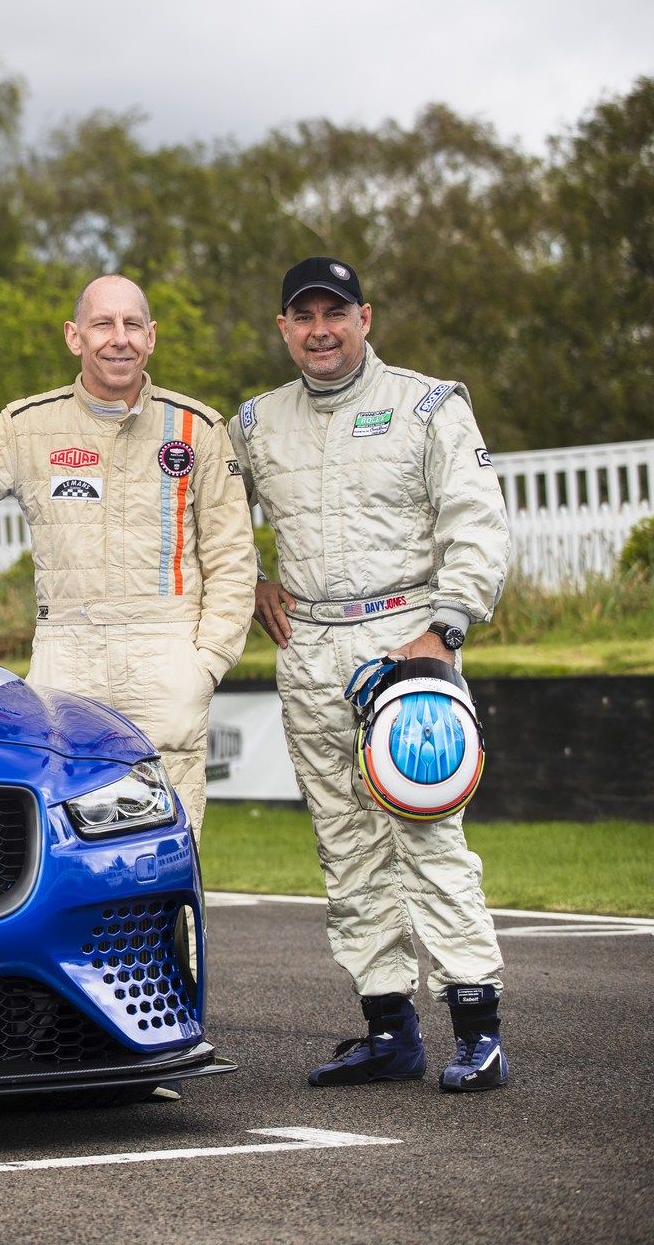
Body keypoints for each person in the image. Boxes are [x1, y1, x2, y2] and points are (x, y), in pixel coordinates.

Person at [227, 255, 512, 1092]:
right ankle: (389, 1029)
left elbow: (476, 520)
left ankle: (478, 1027)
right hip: (309, 645)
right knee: (343, 844)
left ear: (365, 318)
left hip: (407, 642)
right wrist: (249, 575)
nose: (320, 330)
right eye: (303, 316)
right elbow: (202, 513)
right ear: (283, 328)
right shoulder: (254, 422)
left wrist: (446, 625)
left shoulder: (428, 405)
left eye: (335, 314)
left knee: (426, 832)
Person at [0, 274, 256, 834]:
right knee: (65, 841)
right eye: (103, 323)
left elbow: (232, 557)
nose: (119, 338)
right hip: (67, 658)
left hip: (167, 655)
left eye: (132, 324)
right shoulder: (28, 426)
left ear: (152, 337)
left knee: (168, 854)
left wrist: (205, 663)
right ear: (74, 336)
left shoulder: (198, 428)